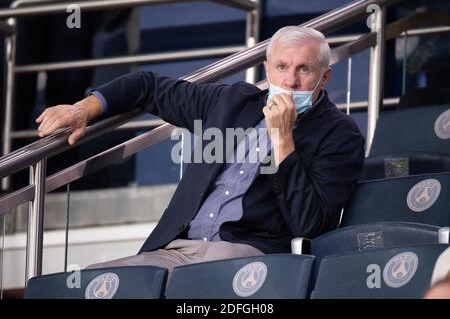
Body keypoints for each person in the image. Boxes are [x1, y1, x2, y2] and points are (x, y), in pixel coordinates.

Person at [35, 26, 365, 272]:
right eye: (282, 67)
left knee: (200, 284)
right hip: (175, 249)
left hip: (248, 252)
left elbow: (312, 225)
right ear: (267, 70)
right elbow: (147, 87)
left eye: (304, 70)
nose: (290, 81)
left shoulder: (339, 133)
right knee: (89, 285)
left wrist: (283, 142)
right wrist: (84, 108)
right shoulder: (233, 101)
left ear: (324, 77)